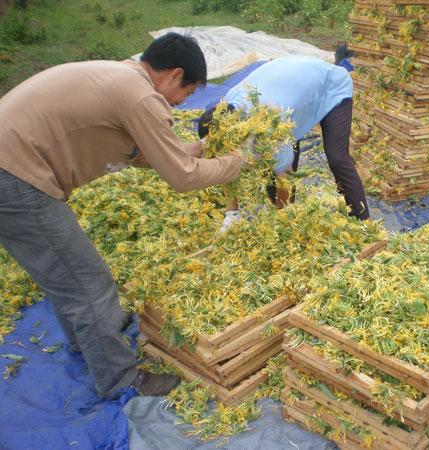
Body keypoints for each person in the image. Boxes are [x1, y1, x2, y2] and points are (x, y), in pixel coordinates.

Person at [0, 33, 245, 398]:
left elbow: (149, 154)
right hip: (16, 177)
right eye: (189, 94)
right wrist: (236, 163)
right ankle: (119, 379)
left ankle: (92, 339)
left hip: (12, 167)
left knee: (66, 275)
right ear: (175, 75)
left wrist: (206, 148)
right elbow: (182, 177)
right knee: (88, 282)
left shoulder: (123, 79)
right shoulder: (142, 96)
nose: (182, 105)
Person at [197, 55, 370, 230]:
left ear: (235, 136)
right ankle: (287, 211)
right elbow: (225, 162)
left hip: (331, 86)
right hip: (293, 87)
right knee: (277, 159)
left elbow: (283, 177)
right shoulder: (226, 107)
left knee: (336, 157)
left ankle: (361, 221)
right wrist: (232, 212)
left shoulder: (270, 124)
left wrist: (282, 223)